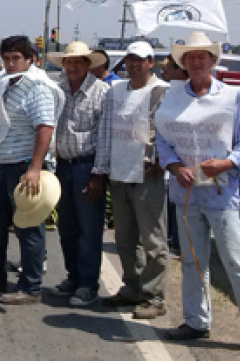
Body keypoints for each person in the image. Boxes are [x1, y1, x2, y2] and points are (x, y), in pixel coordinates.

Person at [155, 31, 240, 358]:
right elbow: (163, 141)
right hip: (186, 193)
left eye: (202, 56)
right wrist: (175, 166)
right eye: (190, 57)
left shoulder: (235, 97)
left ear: (213, 60)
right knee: (192, 260)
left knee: (237, 261)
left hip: (223, 196)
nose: (196, 62)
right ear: (183, 62)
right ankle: (196, 320)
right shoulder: (173, 97)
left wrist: (225, 163)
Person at [0, 35, 64, 305]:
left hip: (23, 165)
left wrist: (35, 167)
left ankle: (31, 286)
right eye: (7, 58)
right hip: (1, 163)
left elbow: (44, 128)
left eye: (16, 58)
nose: (11, 63)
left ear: (30, 59)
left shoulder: (37, 87)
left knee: (28, 226)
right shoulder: (3, 84)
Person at [94, 41, 171, 319]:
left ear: (151, 62)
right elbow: (105, 130)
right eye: (130, 60)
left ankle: (154, 295)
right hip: (119, 171)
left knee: (153, 239)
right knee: (125, 237)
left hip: (147, 175)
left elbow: (170, 130)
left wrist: (162, 160)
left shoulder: (162, 91)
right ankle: (132, 287)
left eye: (140, 60)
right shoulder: (115, 91)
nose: (134, 64)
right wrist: (102, 168)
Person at [42, 41, 110, 306]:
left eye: (78, 62)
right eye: (69, 62)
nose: (72, 66)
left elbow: (104, 138)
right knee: (67, 226)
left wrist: (98, 174)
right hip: (63, 166)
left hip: (87, 165)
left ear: (87, 65)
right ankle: (73, 276)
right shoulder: (57, 90)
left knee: (89, 228)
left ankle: (88, 283)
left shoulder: (101, 92)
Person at [159, 54, 189, 256]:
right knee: (174, 202)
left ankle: (179, 242)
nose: (163, 71)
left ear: (180, 70)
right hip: (171, 161)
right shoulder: (166, 93)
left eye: (167, 68)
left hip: (189, 161)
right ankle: (173, 239)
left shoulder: (188, 95)